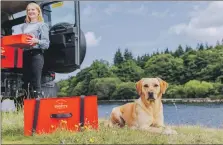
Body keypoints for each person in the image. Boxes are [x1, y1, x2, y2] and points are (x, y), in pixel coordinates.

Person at [21, 2, 50, 98]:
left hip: (36, 55)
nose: (30, 11)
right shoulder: (24, 26)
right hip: (25, 55)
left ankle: (38, 109)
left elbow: (46, 44)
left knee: (35, 83)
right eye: (28, 10)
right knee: (25, 82)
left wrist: (36, 40)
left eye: (33, 9)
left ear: (38, 11)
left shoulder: (42, 25)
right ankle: (24, 109)